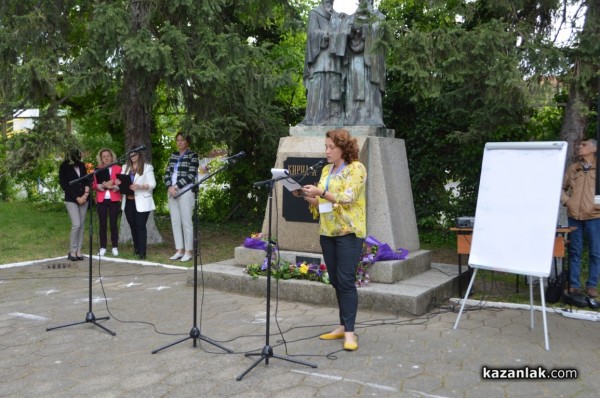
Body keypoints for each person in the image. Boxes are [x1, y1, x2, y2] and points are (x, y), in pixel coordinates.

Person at [297, 128, 367, 351]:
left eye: (331, 147)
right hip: (327, 232)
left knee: (346, 281)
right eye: (325, 146)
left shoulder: (357, 168)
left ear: (343, 148)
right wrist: (308, 197)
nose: (326, 151)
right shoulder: (327, 170)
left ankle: (350, 333)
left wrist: (321, 192)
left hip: (349, 233)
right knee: (336, 280)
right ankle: (342, 325)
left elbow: (348, 198)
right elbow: (325, 206)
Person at [561, 139, 600, 298]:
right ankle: (574, 286)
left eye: (584, 145)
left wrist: (597, 205)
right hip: (574, 216)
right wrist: (568, 202)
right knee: (575, 251)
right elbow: (561, 188)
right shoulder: (573, 168)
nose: (579, 147)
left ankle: (592, 286)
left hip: (594, 216)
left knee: (595, 253)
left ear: (594, 149)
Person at [299, 0, 347, 126]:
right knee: (318, 86)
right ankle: (314, 118)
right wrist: (325, 35)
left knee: (334, 86)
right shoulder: (314, 13)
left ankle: (334, 118)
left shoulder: (338, 15)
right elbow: (311, 33)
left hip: (334, 59)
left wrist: (344, 21)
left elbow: (344, 35)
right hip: (320, 58)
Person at [344, 0, 386, 127]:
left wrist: (364, 29)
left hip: (371, 61)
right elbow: (344, 33)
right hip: (354, 59)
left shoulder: (378, 16)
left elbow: (379, 31)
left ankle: (372, 117)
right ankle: (353, 117)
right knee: (353, 88)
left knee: (370, 89)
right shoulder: (351, 17)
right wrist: (350, 30)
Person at [164, 132, 199, 262]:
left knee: (186, 222)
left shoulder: (193, 155)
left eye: (182, 140)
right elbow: (167, 173)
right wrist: (169, 187)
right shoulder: (173, 155)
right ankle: (179, 250)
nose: (179, 142)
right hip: (172, 191)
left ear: (187, 142)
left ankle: (188, 251)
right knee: (175, 221)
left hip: (185, 191)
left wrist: (176, 186)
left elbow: (191, 175)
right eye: (177, 140)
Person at [120, 147, 156, 260]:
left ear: (139, 155)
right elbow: (122, 183)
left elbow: (152, 184)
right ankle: (136, 250)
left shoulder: (147, 167)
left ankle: (142, 252)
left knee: (140, 226)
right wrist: (118, 183)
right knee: (133, 226)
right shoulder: (125, 167)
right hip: (128, 201)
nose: (133, 156)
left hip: (142, 201)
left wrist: (140, 186)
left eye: (135, 154)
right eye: (131, 154)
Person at [58, 149, 90, 261]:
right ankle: (72, 251)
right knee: (76, 224)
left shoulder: (82, 165)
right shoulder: (64, 166)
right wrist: (77, 198)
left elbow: (87, 180)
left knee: (81, 225)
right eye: (78, 155)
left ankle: (78, 251)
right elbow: (64, 185)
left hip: (84, 198)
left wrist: (85, 195)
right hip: (72, 199)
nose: (80, 156)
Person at [92, 148, 122, 257]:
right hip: (102, 199)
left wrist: (116, 186)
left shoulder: (118, 168)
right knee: (102, 224)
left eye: (108, 156)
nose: (106, 158)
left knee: (113, 224)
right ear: (101, 159)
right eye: (103, 156)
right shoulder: (97, 170)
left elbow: (122, 183)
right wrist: (97, 186)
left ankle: (115, 247)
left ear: (112, 157)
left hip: (114, 199)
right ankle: (103, 247)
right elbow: (93, 184)